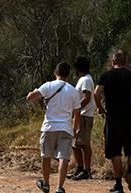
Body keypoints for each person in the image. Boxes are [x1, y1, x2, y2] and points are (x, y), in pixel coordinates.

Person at [94, 50, 131, 193]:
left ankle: (118, 185)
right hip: (130, 118)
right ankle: (129, 171)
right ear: (125, 62)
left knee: (114, 151)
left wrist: (100, 108)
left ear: (112, 62)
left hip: (112, 119)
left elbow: (96, 93)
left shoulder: (106, 76)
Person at [26, 62, 82, 193]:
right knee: (64, 158)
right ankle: (60, 187)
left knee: (46, 156)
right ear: (68, 75)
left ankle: (45, 184)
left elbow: (30, 98)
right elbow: (77, 114)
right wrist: (74, 130)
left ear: (55, 73)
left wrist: (33, 92)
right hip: (65, 128)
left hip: (49, 126)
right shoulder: (73, 91)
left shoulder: (48, 85)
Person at [67, 56, 96, 181]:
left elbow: (87, 97)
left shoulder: (85, 80)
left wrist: (76, 109)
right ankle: (79, 168)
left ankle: (87, 170)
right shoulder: (84, 79)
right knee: (75, 144)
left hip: (84, 115)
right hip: (80, 115)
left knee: (84, 144)